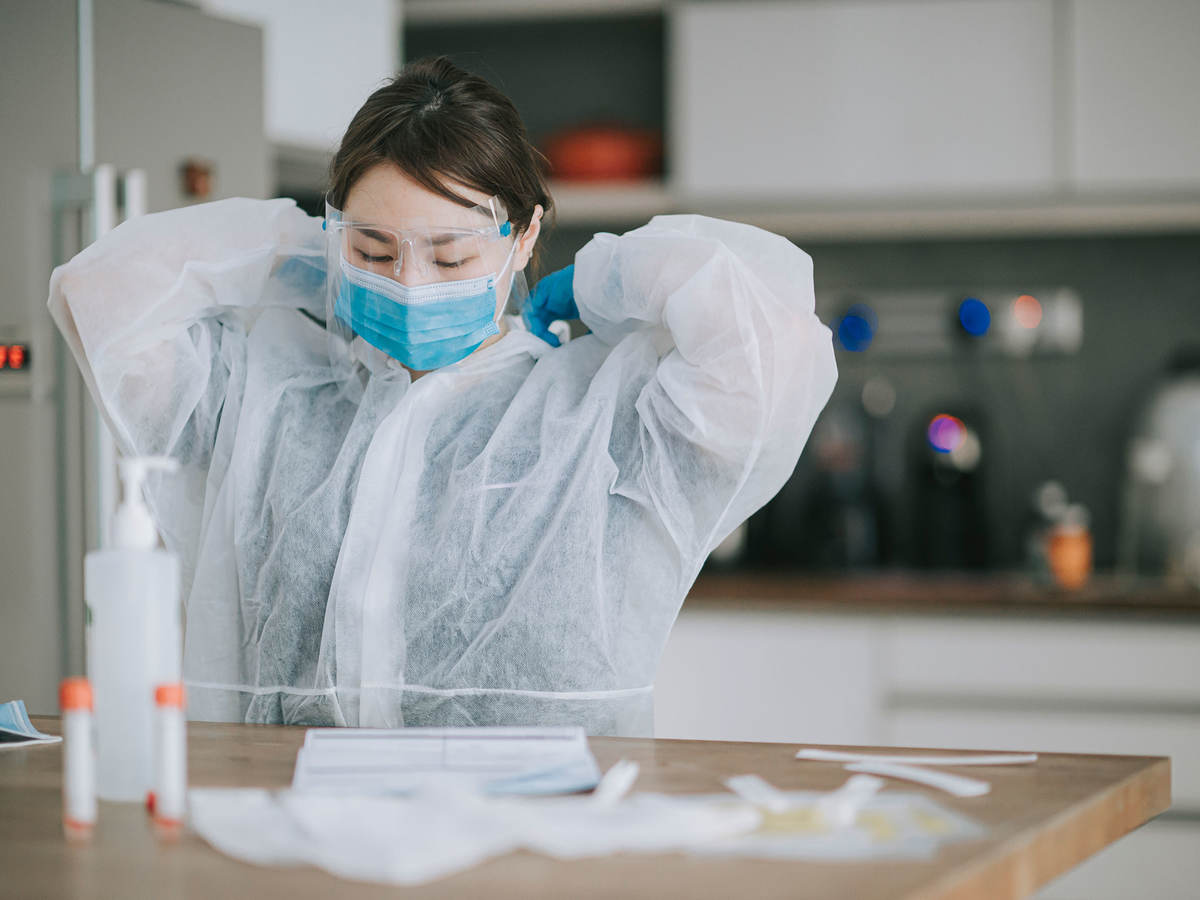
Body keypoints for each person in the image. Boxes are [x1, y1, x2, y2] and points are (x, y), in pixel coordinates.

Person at [48, 57, 837, 735]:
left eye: (452, 257)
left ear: (523, 237)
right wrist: (301, 255)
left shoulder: (606, 409)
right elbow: (103, 297)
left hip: (551, 843)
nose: (410, 284)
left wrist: (609, 279)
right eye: (374, 249)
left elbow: (777, 346)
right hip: (298, 834)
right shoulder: (269, 393)